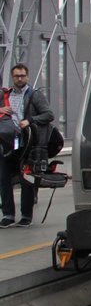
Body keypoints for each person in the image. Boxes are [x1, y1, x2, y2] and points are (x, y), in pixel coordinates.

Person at [0, 63, 55, 228]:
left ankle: (26, 216)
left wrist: (30, 120)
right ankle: (8, 215)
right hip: (7, 144)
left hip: (27, 144)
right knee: (3, 179)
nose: (19, 78)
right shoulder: (5, 95)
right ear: (12, 77)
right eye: (17, 76)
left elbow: (49, 114)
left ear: (27, 76)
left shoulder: (34, 95)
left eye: (22, 76)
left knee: (26, 180)